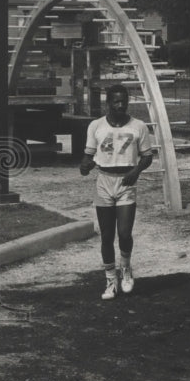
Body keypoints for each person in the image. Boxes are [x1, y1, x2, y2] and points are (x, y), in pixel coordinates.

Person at [80, 84, 156, 300]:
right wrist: (84, 166)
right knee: (106, 235)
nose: (120, 105)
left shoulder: (139, 126)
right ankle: (110, 280)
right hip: (104, 181)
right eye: (116, 101)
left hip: (126, 183)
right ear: (108, 103)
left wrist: (136, 172)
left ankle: (126, 267)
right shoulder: (96, 126)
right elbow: (88, 156)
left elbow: (147, 156)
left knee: (124, 233)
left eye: (124, 101)